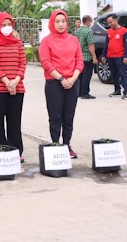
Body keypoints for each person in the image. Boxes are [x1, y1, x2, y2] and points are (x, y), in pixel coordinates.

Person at [38, 9, 83, 159]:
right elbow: (46, 63)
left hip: (72, 82)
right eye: (57, 21)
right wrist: (62, 79)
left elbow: (79, 61)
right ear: (52, 23)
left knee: (68, 116)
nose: (60, 24)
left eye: (63, 21)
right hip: (54, 83)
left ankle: (67, 145)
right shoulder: (46, 41)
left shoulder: (73, 40)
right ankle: (56, 144)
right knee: (55, 116)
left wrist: (73, 78)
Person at [0, 12, 26, 162]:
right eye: (3, 25)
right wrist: (7, 82)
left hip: (17, 88)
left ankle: (16, 150)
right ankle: (0, 150)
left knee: (14, 122)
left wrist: (15, 82)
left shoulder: (18, 43)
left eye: (9, 24)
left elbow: (23, 63)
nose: (7, 27)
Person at [101, 14, 127, 99]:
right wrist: (104, 55)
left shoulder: (124, 31)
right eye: (108, 23)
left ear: (115, 20)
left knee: (122, 73)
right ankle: (117, 90)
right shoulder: (109, 31)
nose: (109, 24)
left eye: (110, 22)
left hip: (120, 56)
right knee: (114, 74)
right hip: (110, 56)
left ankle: (126, 91)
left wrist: (126, 56)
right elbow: (106, 44)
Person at [76, 15, 98, 99]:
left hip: (79, 57)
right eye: (91, 21)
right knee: (87, 76)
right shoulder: (88, 31)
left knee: (80, 76)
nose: (91, 23)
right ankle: (85, 93)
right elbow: (91, 45)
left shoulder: (78, 31)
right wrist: (94, 57)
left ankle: (79, 92)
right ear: (88, 21)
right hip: (87, 57)